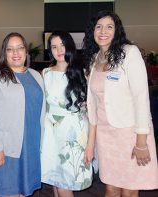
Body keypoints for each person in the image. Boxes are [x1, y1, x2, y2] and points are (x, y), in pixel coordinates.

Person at [83, 10, 158, 197]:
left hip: (129, 133)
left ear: (117, 31)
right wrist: (90, 142)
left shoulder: (129, 53)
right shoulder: (93, 60)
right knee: (110, 187)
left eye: (109, 27)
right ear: (92, 31)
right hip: (105, 135)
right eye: (98, 26)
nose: (103, 31)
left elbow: (141, 98)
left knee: (130, 189)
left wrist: (141, 141)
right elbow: (93, 103)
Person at [0, 32, 45, 197]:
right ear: (4, 53)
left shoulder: (36, 76)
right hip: (6, 148)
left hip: (30, 147)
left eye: (20, 48)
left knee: (24, 192)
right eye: (10, 49)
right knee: (8, 192)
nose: (16, 53)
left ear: (26, 51)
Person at [40, 31, 93, 197]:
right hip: (51, 133)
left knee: (64, 185)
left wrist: (91, 144)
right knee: (56, 182)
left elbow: (92, 113)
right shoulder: (45, 73)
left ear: (70, 46)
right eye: (54, 47)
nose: (59, 50)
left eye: (62, 45)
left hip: (74, 134)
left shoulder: (83, 73)